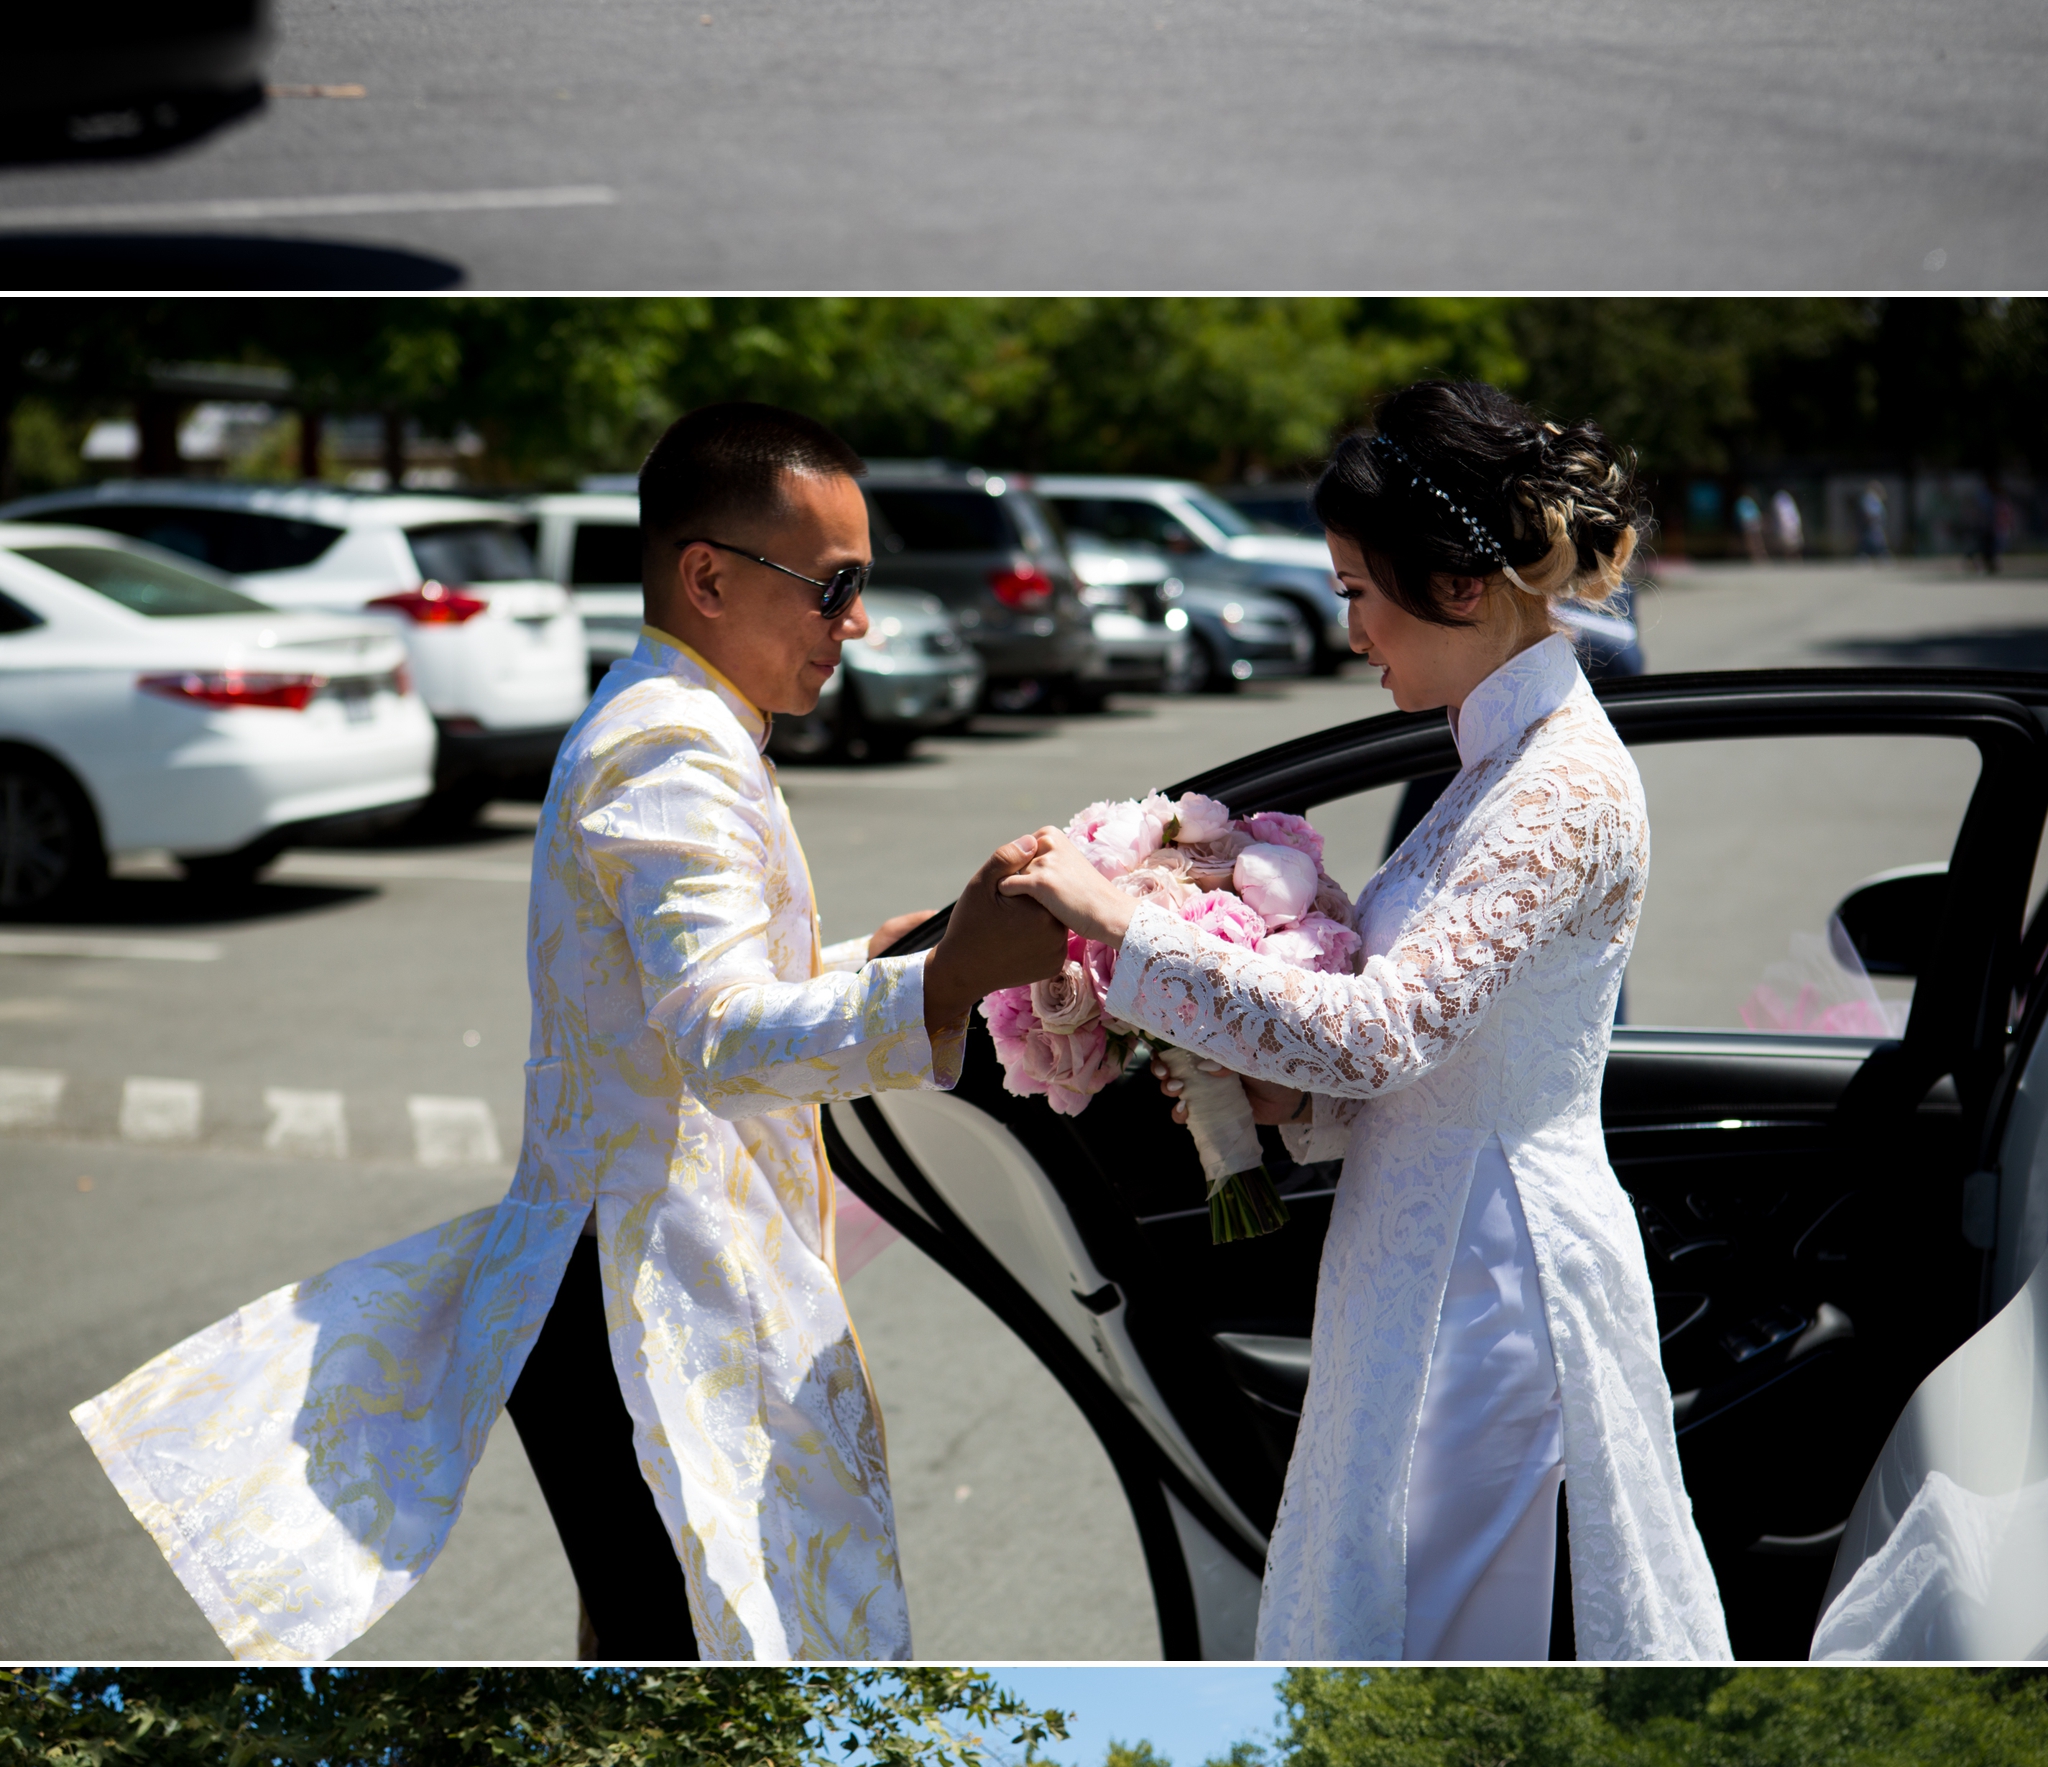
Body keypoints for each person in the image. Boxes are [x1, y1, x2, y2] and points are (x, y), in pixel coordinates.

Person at [78, 411, 1051, 1669]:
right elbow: (719, 1038)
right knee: (698, 1656)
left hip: (645, 1279)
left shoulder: (689, 720)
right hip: (639, 1303)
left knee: (676, 1643)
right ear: (707, 575)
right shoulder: (670, 742)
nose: (853, 624)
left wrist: (897, 960)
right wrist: (954, 975)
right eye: (836, 586)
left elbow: (682, 1006)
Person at [994, 379, 1730, 1667]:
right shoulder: (1492, 763)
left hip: (1497, 1275)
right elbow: (1419, 1051)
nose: (1347, 631)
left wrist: (1120, 923)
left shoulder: (1556, 784)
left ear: (1454, 587)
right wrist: (1290, 1096)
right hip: (1423, 1242)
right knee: (1380, 1610)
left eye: (1352, 591)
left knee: (1447, 1639)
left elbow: (1387, 1029)